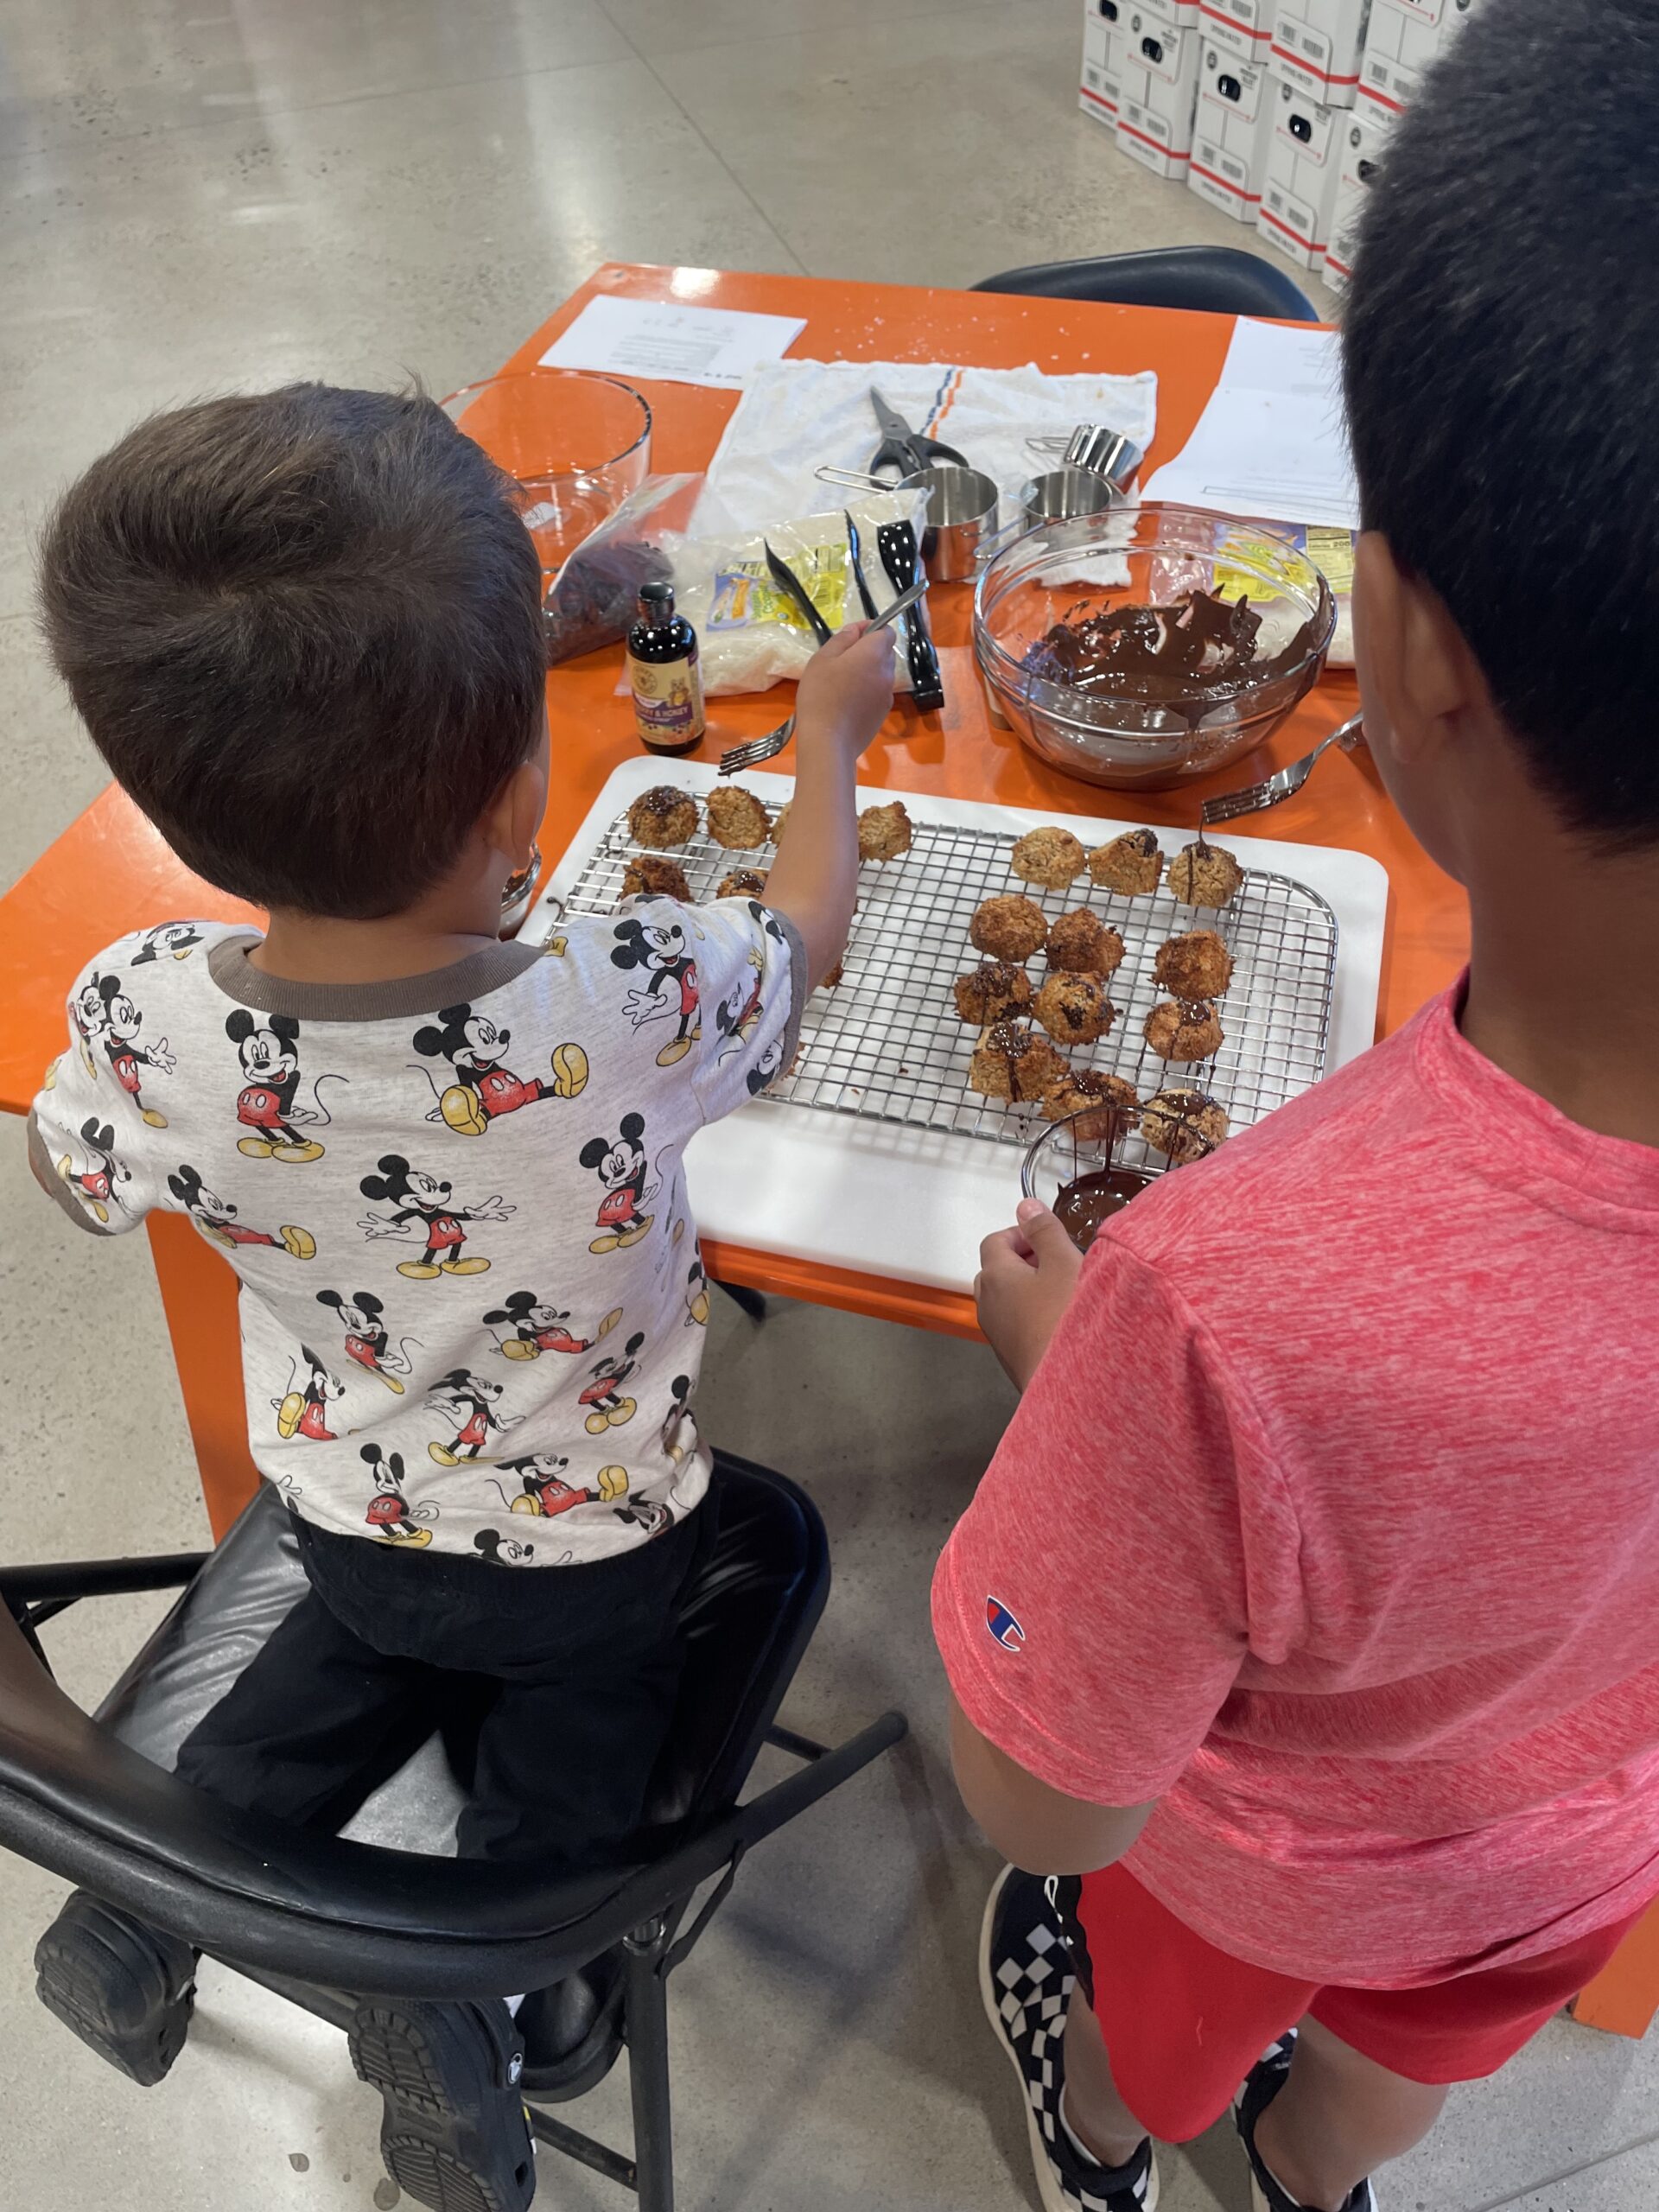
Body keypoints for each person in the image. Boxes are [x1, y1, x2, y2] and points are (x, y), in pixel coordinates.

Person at [932, 7, 1659, 2210]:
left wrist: (1081, 1404)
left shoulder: (1216, 1302)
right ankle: (1320, 2174)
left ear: (1407, 652)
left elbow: (1049, 1802)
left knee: (1160, 2029)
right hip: (1582, 1852)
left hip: (1273, 1876)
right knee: (1411, 2060)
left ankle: (1114, 2136)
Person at [26, 384, 893, 2157]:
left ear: (177, 815)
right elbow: (809, 927)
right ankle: (458, 1997)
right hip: (597, 1548)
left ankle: (144, 1898)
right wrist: (828, 735)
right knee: (561, 1778)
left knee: (332, 1675)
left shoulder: (142, 1006)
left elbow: (71, 1173)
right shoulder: (622, 996)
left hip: (349, 1513)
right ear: (523, 795)